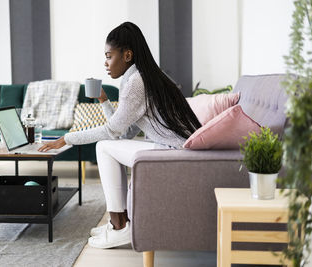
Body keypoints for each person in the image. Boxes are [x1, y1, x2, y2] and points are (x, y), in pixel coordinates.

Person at [38, 22, 201, 249]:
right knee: (106, 145)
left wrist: (68, 138)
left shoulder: (137, 82)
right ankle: (121, 223)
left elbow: (112, 132)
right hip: (173, 150)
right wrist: (104, 100)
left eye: (109, 56)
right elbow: (125, 131)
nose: (105, 63)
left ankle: (119, 226)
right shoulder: (139, 77)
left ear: (127, 55)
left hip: (175, 155)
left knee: (103, 146)